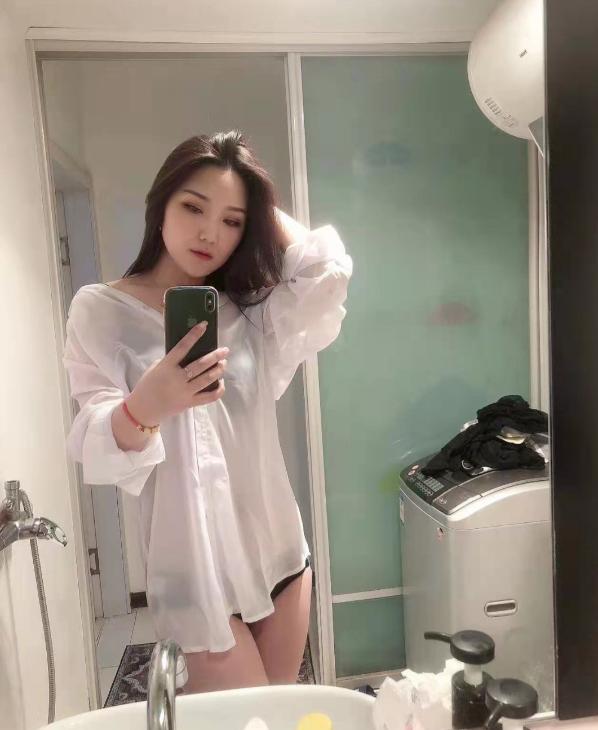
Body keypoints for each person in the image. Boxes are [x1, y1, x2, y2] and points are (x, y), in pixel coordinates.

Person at [63, 130, 352, 693]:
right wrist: (148, 404)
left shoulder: (253, 309)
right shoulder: (100, 310)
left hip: (279, 554)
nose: (209, 233)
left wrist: (257, 203)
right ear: (160, 206)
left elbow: (327, 272)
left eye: (232, 221)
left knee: (277, 717)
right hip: (193, 574)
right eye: (193, 207)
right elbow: (95, 441)